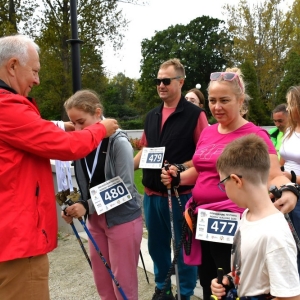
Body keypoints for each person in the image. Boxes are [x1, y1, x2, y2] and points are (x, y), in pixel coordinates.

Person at [161, 68, 298, 300]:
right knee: (208, 283)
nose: (217, 107)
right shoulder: (208, 132)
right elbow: (203, 169)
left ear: (240, 100)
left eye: (225, 100)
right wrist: (179, 177)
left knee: (230, 286)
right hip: (202, 219)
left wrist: (289, 191)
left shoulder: (255, 135)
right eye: (213, 100)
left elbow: (274, 175)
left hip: (234, 220)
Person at [0, 35, 118, 300]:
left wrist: (60, 125)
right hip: (18, 243)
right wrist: (101, 128)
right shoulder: (7, 105)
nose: (37, 80)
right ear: (13, 65)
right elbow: (66, 147)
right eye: (34, 71)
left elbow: (30, 131)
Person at [134, 58, 208, 300]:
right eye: (158, 81)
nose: (161, 85)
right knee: (157, 247)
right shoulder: (151, 115)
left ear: (180, 82)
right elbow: (145, 150)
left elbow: (203, 156)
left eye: (166, 80)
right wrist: (123, 169)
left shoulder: (195, 115)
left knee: (184, 249)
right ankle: (162, 287)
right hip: (152, 195)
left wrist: (180, 168)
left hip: (181, 195)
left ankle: (184, 293)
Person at [62, 89, 143, 300]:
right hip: (95, 220)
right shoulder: (83, 142)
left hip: (121, 219)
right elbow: (86, 183)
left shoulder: (119, 142)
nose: (78, 129)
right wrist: (75, 205)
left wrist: (86, 206)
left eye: (81, 122)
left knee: (123, 284)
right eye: (73, 123)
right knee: (103, 282)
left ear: (98, 114)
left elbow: (124, 188)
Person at [211, 134, 300, 300]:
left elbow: (291, 297)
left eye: (223, 184)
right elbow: (251, 268)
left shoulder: (274, 235)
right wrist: (230, 279)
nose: (224, 189)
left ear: (236, 181)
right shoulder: (248, 215)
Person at [279, 86, 300, 273]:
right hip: (285, 189)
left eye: (290, 104)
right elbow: (282, 160)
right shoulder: (290, 130)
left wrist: (292, 177)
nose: (288, 109)